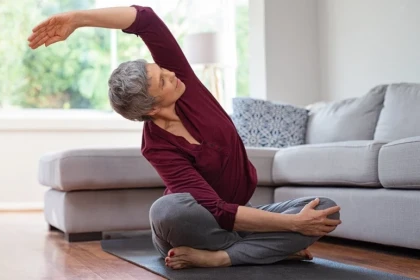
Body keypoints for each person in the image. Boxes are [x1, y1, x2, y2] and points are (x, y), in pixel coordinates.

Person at [28, 5, 342, 270]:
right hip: (195, 226)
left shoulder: (186, 86)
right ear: (150, 108)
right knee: (166, 210)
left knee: (325, 208)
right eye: (163, 80)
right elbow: (216, 210)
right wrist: (293, 226)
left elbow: (145, 19)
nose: (173, 74)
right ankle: (265, 249)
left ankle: (223, 257)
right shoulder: (156, 146)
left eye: (164, 70)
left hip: (233, 223)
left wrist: (78, 19)